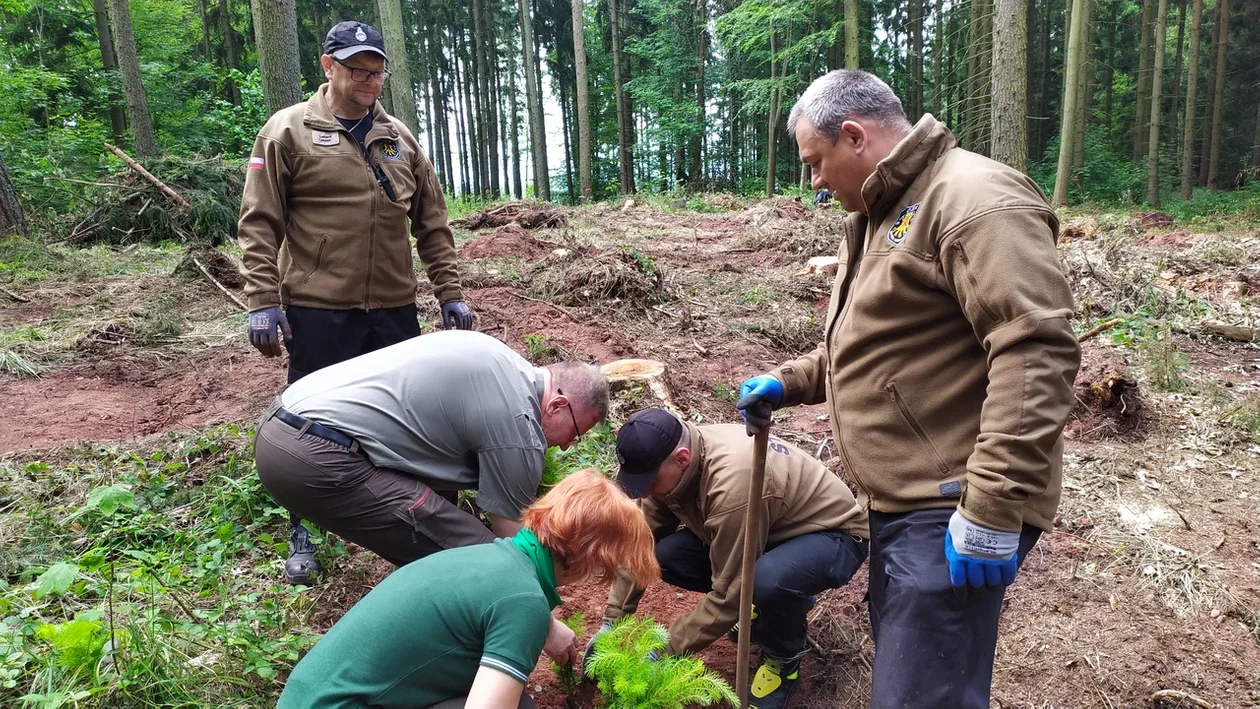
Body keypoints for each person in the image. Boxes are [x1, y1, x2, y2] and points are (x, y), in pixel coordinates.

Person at [736, 70, 1081, 708]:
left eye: (815, 163)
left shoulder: (973, 200)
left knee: (922, 698)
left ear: (854, 135)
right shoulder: (879, 213)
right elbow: (876, 343)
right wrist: (788, 381)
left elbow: (1035, 348)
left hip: (950, 504)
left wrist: (991, 508)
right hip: (901, 505)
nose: (813, 182)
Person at [238, 21, 475, 582]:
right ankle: (305, 528)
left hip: (392, 311)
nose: (370, 81)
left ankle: (424, 520)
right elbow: (259, 223)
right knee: (311, 424)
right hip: (320, 310)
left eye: (377, 72)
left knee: (409, 415)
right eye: (357, 70)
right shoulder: (287, 132)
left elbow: (433, 226)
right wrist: (262, 300)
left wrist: (451, 294)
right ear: (328, 67)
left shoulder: (400, 139)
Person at [277, 469, 660, 709]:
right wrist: (535, 620)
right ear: (587, 558)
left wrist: (546, 625)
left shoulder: (489, 562)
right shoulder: (522, 601)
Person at [253, 330, 609, 584]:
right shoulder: (520, 427)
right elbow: (514, 544)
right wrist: (545, 615)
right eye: (576, 433)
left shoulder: (499, 356)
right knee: (487, 562)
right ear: (558, 405)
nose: (567, 446)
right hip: (313, 455)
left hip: (284, 419)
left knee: (442, 531)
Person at [587, 409, 869, 709]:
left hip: (833, 537)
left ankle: (783, 659)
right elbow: (641, 545)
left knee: (764, 581)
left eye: (649, 481)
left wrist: (665, 648)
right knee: (665, 556)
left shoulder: (731, 486)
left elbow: (733, 591)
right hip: (769, 532)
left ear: (682, 459)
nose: (645, 490)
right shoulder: (670, 465)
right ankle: (774, 603)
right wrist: (612, 621)